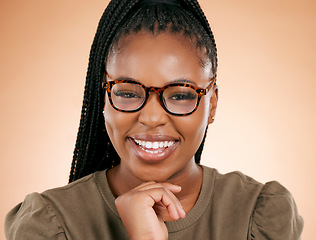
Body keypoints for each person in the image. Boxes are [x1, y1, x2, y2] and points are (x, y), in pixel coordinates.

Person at [5, 0, 303, 239]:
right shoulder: (50, 224)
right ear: (103, 100)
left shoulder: (258, 216)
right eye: (127, 92)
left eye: (180, 95)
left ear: (212, 104)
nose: (150, 117)